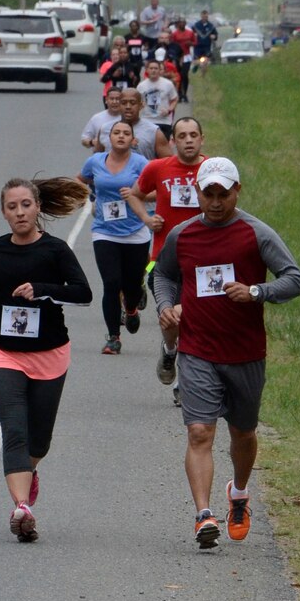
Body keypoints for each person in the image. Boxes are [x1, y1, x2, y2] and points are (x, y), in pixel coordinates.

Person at [152, 156, 300, 548]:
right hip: (198, 349)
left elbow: (295, 280)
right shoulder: (182, 235)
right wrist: (164, 306)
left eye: (224, 193)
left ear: (237, 191)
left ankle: (238, 492)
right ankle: (204, 515)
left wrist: (257, 291)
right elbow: (165, 274)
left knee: (243, 432)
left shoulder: (257, 233)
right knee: (200, 431)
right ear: (198, 194)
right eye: (209, 194)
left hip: (245, 352)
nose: (216, 201)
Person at [0, 176, 93, 541]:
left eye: (25, 205)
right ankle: (22, 508)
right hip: (2, 351)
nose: (19, 212)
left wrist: (43, 291)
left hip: (49, 353)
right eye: (11, 207)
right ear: (3, 213)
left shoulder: (55, 251)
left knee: (39, 441)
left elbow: (83, 293)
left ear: (37, 208)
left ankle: (28, 474)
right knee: (14, 428)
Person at [135, 113, 209, 394]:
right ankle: (169, 350)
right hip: (161, 261)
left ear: (202, 139)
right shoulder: (158, 168)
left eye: (193, 135)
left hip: (202, 260)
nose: (188, 141)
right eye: (182, 136)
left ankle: (183, 383)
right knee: (170, 317)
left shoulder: (212, 169)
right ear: (173, 141)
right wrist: (147, 219)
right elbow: (134, 193)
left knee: (193, 320)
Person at [80, 118, 151, 353]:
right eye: (116, 132)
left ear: (133, 139)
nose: (120, 136)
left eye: (125, 133)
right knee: (111, 283)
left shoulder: (141, 163)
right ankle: (113, 337)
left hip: (135, 232)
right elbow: (80, 180)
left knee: (131, 286)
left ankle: (131, 308)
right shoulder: (95, 161)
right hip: (104, 231)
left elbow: (156, 190)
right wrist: (89, 196)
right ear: (109, 138)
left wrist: (135, 193)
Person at [79, 79, 127, 151]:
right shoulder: (97, 118)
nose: (114, 102)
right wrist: (92, 142)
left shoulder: (127, 118)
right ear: (106, 100)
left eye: (117, 99)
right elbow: (84, 139)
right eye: (111, 99)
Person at [136, 50, 179, 128]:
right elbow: (136, 102)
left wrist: (169, 110)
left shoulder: (168, 84)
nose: (153, 70)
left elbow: (175, 99)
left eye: (156, 68)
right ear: (147, 70)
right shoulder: (141, 86)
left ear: (160, 70)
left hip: (164, 121)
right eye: (151, 68)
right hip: (147, 120)